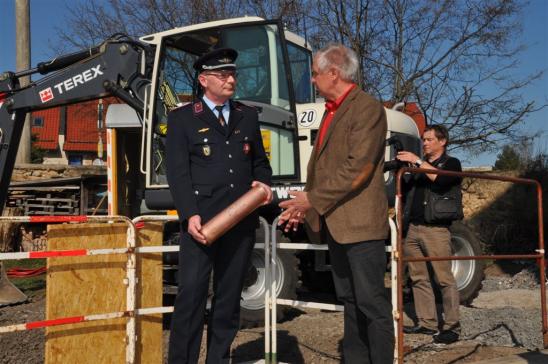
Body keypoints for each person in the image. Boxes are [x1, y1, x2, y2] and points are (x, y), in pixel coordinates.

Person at [278, 43, 394, 364]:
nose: (312, 81)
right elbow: (323, 171)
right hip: (337, 225)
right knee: (350, 301)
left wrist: (311, 200)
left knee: (372, 303)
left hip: (360, 227)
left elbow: (359, 170)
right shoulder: (332, 111)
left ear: (334, 73)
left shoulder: (366, 108)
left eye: (315, 74)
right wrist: (303, 208)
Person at [166, 48, 272, 364]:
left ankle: (218, 359)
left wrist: (263, 184)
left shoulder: (247, 115)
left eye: (233, 74)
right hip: (202, 224)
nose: (231, 79)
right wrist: (189, 215)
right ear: (203, 79)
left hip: (240, 223)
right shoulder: (183, 118)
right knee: (191, 296)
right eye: (223, 74)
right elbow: (178, 172)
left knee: (228, 300)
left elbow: (261, 164)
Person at [396, 124, 462, 344]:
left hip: (436, 230)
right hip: (413, 229)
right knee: (418, 278)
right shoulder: (418, 166)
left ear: (442, 141)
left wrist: (416, 162)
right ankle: (427, 323)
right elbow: (405, 192)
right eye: (423, 139)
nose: (424, 143)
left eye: (429, 139)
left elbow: (443, 181)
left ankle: (452, 327)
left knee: (444, 279)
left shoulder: (451, 163)